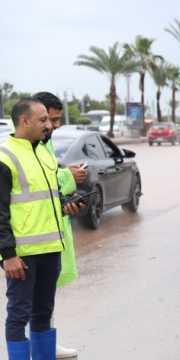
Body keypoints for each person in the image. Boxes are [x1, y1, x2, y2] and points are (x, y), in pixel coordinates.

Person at [0, 98, 81, 359]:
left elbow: (50, 196)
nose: (49, 125)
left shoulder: (43, 153)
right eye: (43, 120)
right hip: (21, 256)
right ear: (25, 121)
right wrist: (8, 255)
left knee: (43, 312)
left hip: (50, 249)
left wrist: (65, 204)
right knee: (18, 315)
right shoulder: (5, 157)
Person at [33, 91, 86, 359]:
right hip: (33, 239)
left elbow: (50, 186)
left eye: (55, 121)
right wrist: (69, 176)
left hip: (49, 231)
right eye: (49, 120)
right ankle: (37, 350)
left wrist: (67, 198)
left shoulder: (46, 144)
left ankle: (47, 346)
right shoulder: (29, 147)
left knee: (45, 299)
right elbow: (41, 183)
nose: (53, 126)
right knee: (29, 305)